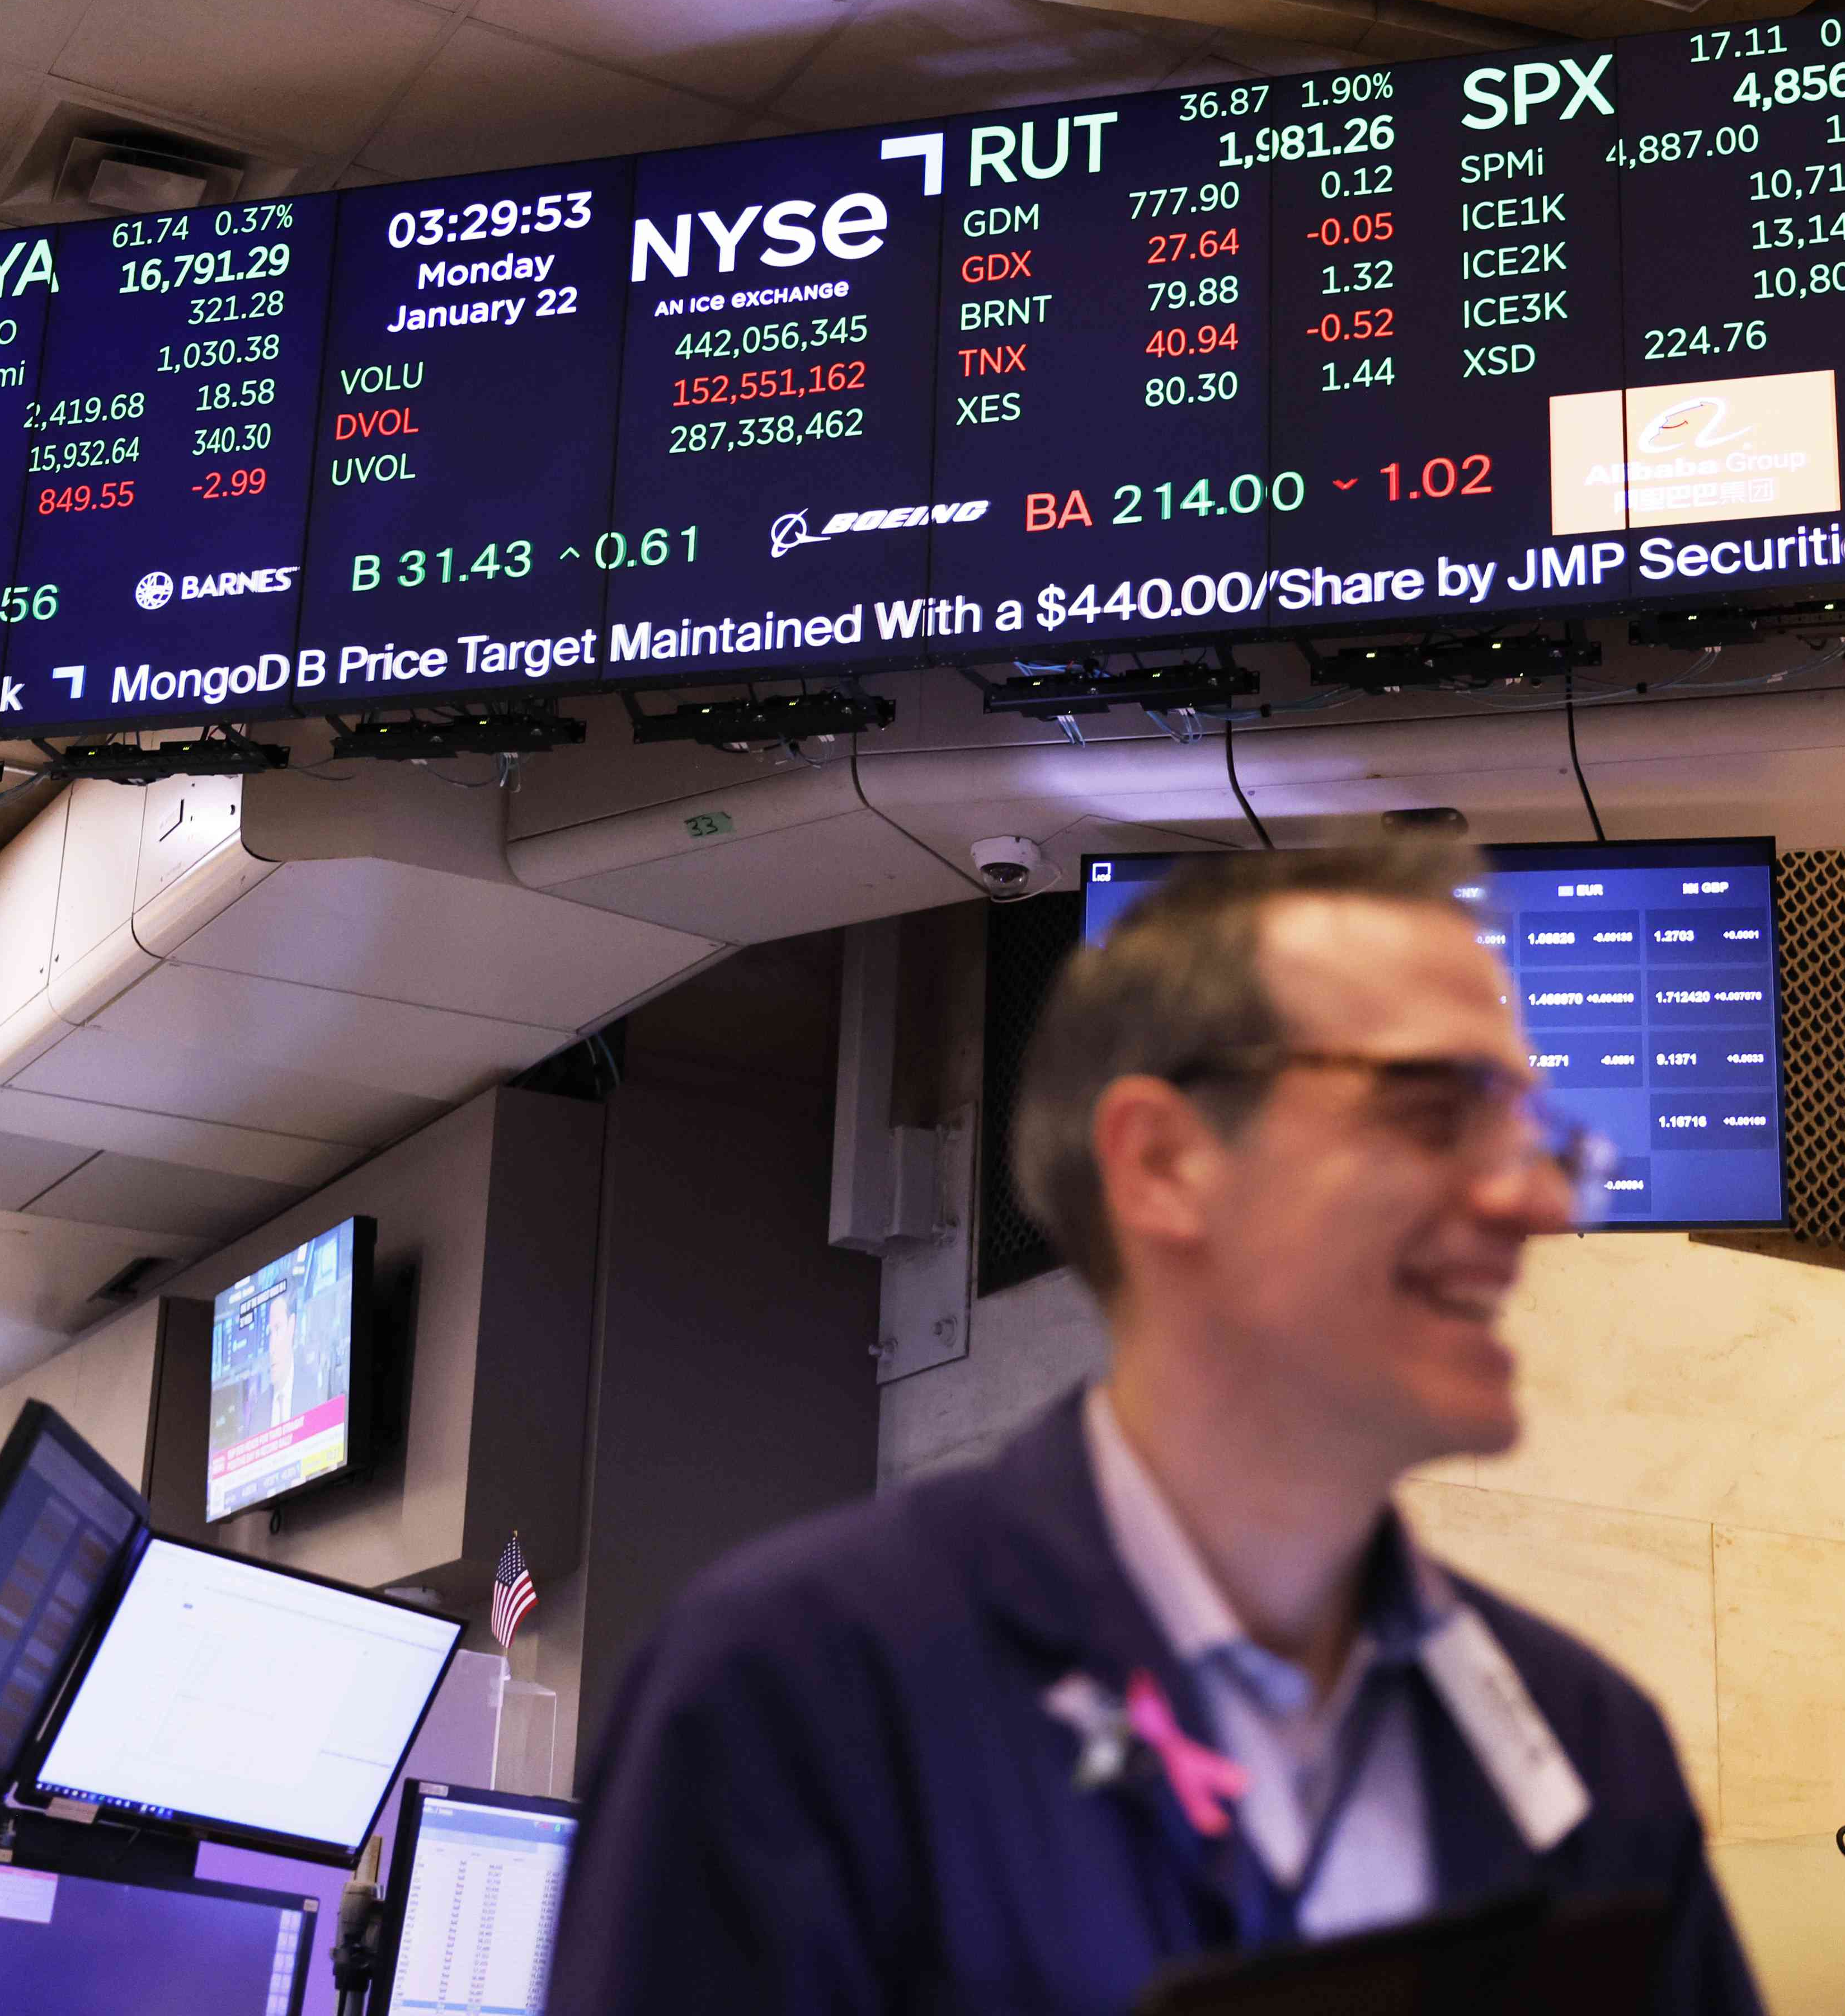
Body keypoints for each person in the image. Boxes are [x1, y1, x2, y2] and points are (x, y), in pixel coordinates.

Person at [548, 837, 1761, 2014]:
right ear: (1167, 1159)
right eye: (1439, 1112)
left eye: (1545, 1139)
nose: (1540, 1202)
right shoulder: (797, 1697)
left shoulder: (1592, 1744)